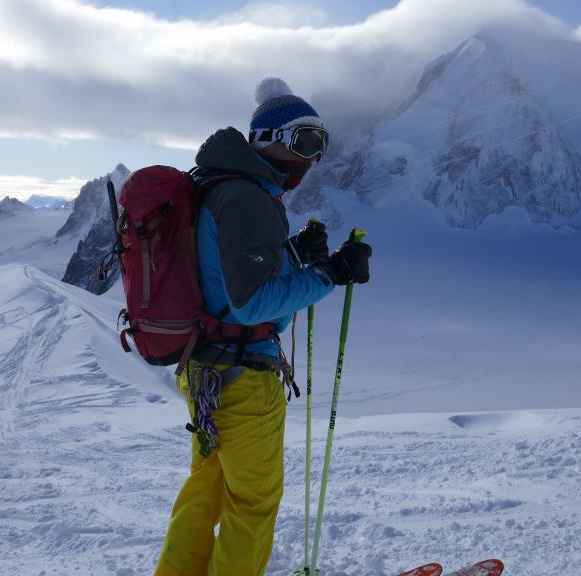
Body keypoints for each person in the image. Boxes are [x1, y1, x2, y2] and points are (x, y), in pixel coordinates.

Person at [154, 78, 373, 576]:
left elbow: (219, 280)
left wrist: (292, 256)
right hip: (242, 383)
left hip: (205, 370)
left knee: (205, 493)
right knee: (252, 505)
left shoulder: (215, 186)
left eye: (321, 145)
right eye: (304, 142)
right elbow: (253, 305)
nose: (312, 160)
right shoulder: (249, 198)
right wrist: (330, 273)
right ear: (266, 137)